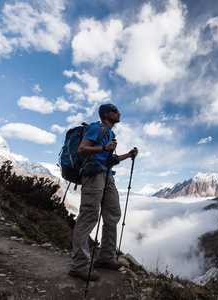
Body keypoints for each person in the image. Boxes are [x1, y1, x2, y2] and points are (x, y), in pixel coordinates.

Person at [68, 103, 138, 281]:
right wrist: (103, 148)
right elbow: (82, 149)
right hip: (94, 175)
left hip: (107, 176)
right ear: (106, 114)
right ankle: (79, 266)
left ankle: (105, 257)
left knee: (113, 214)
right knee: (89, 216)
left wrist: (129, 155)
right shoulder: (95, 128)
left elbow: (111, 159)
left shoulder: (110, 133)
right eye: (116, 111)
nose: (119, 113)